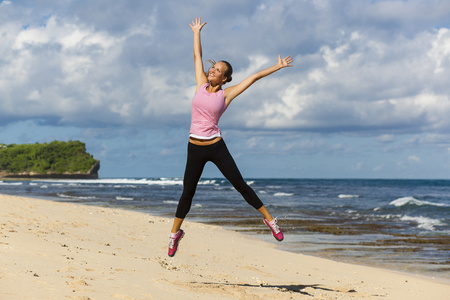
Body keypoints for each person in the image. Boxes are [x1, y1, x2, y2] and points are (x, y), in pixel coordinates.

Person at [168, 17, 293, 257]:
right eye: (212, 68)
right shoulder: (200, 85)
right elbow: (197, 57)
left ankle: (270, 221)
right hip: (194, 147)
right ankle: (175, 234)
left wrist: (277, 67)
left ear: (224, 78)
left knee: (240, 185)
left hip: (216, 146)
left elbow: (254, 77)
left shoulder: (227, 95)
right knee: (188, 192)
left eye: (217, 71)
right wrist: (196, 33)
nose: (211, 71)